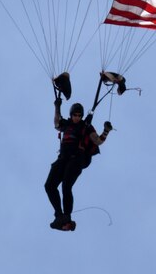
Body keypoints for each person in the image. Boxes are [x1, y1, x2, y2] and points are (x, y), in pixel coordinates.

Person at [44, 97, 112, 230]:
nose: (77, 117)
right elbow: (57, 124)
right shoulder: (67, 124)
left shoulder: (86, 127)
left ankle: (67, 217)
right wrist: (57, 106)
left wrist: (106, 131)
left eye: (79, 115)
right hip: (63, 158)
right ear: (71, 115)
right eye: (75, 115)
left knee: (66, 186)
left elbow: (97, 141)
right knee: (49, 186)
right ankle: (60, 216)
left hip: (76, 159)